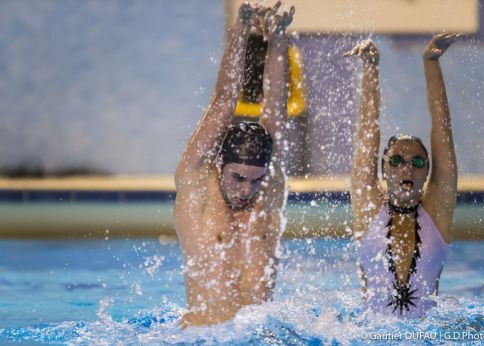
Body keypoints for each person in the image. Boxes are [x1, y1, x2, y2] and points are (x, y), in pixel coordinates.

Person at [174, 2, 295, 327]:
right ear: (219, 163)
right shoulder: (200, 185)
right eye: (238, 177)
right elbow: (224, 101)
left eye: (256, 180)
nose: (247, 189)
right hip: (205, 337)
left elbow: (276, 114)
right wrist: (242, 30)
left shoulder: (268, 191)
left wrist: (279, 39)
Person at [345, 33, 461, 318]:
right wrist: (371, 66)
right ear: (384, 169)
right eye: (396, 160)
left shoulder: (437, 214)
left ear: (428, 173)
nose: (406, 168)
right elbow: (368, 135)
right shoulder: (370, 208)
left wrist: (430, 62)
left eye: (417, 161)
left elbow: (442, 131)